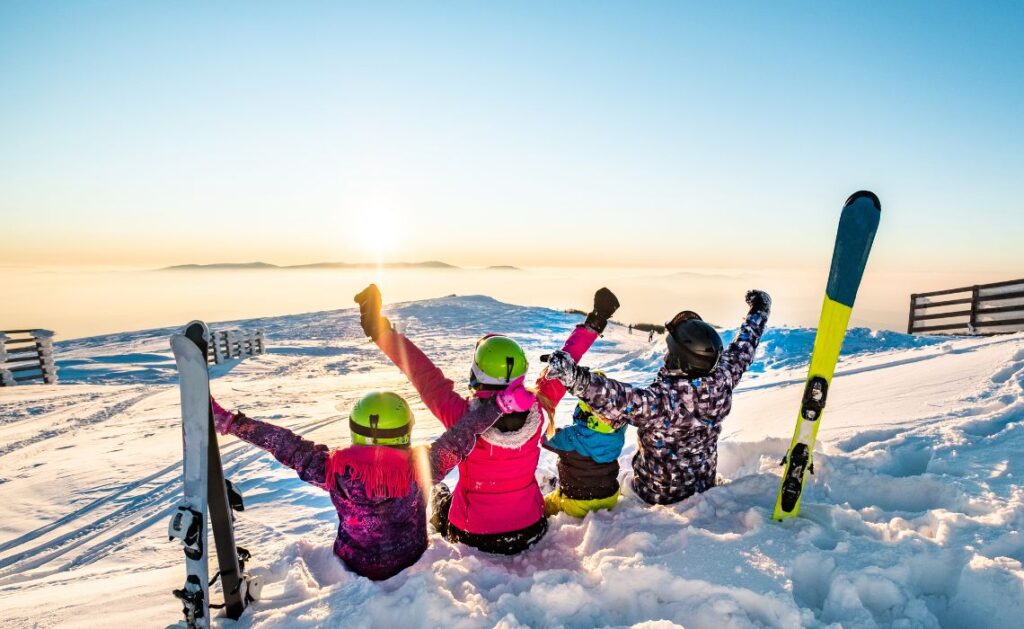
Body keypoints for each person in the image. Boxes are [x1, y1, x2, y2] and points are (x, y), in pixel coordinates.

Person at [355, 284, 619, 554]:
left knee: (440, 497)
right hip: (531, 527)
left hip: (474, 534)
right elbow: (566, 362)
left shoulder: (462, 418)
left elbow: (423, 374)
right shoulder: (539, 407)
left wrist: (380, 331)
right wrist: (595, 321)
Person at [208, 381, 536, 580]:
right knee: (440, 494)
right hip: (410, 557)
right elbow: (461, 436)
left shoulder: (332, 469)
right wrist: (499, 405)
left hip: (355, 562)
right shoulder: (422, 467)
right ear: (405, 431)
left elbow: (286, 445)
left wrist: (233, 424)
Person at [543, 290, 771, 506]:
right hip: (703, 484)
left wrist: (573, 377)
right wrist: (759, 310)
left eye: (671, 352)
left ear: (681, 359)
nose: (665, 356)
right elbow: (744, 348)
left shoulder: (663, 402)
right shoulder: (723, 379)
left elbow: (616, 398)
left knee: (618, 483)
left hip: (655, 494)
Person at [542, 370, 626, 518]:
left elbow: (545, 437)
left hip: (577, 503)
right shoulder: (617, 434)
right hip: (610, 497)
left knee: (545, 504)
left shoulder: (571, 437)